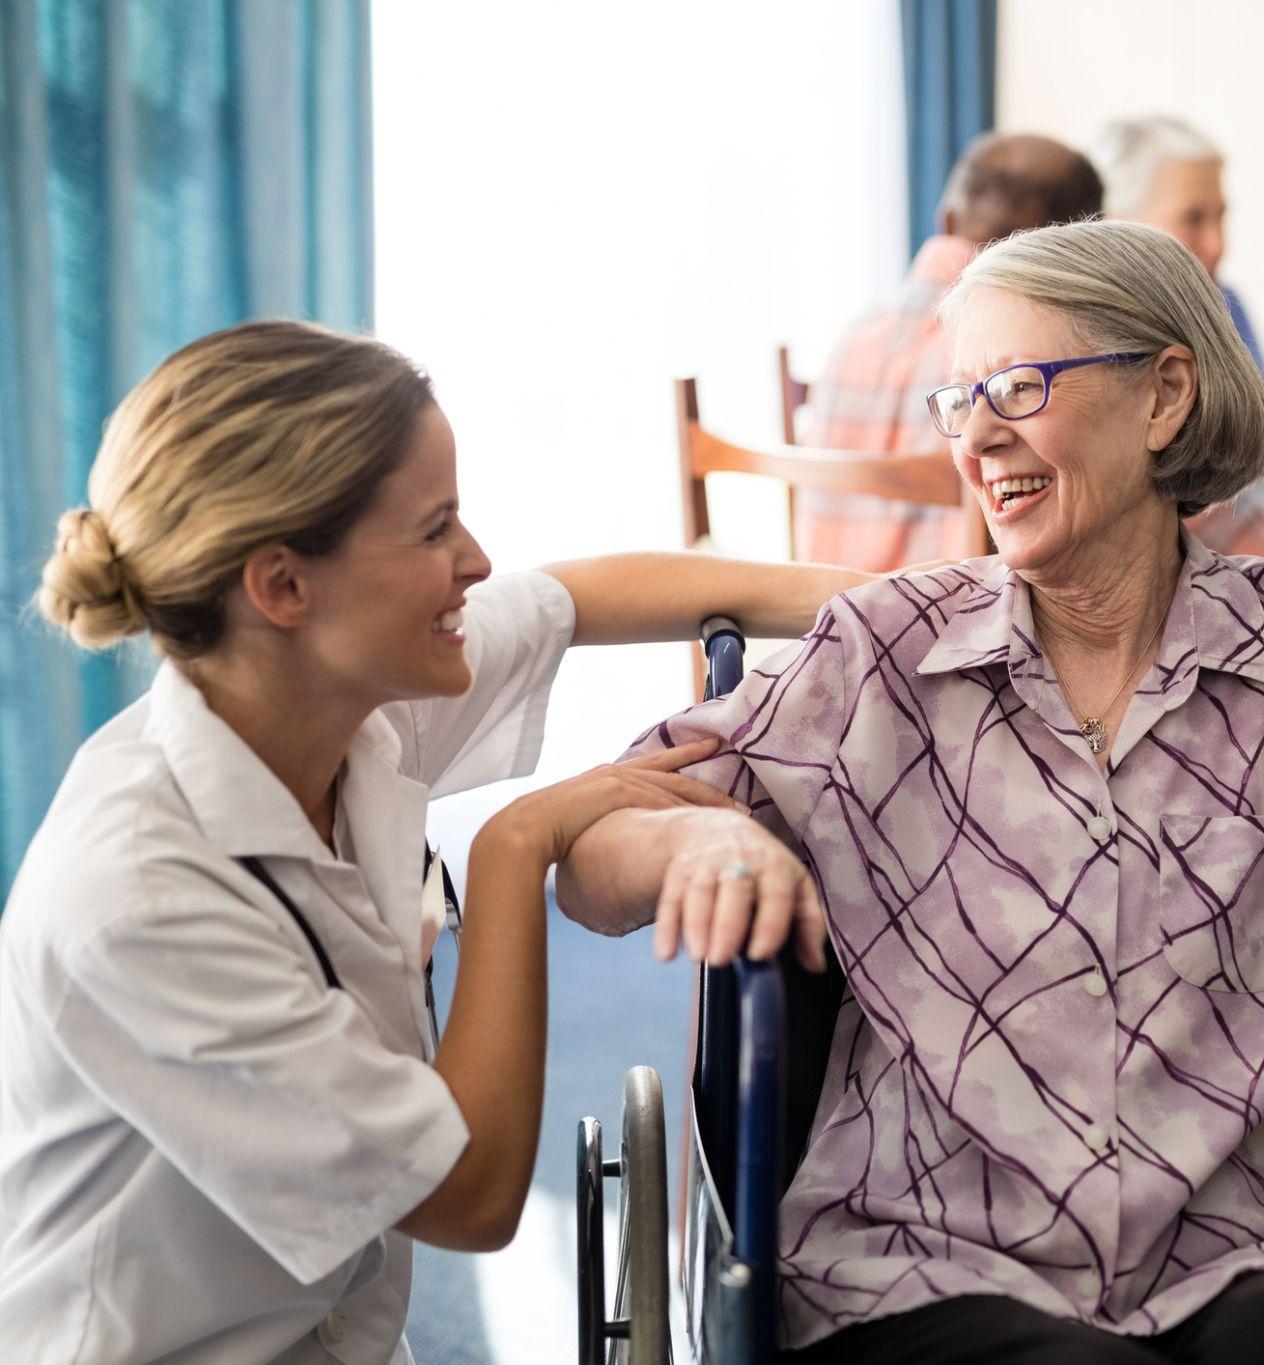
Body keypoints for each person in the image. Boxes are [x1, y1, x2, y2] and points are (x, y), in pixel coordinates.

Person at [558, 219, 1264, 1362]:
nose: (978, 436)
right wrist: (693, 848)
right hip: (924, 1249)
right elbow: (594, 848)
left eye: (1017, 385)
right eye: (959, 401)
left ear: (1163, 399)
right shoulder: (881, 654)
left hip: (1250, 1240)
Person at [0, 320, 868, 1363]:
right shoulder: (139, 895)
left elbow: (574, 597)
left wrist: (899, 601)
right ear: (281, 587)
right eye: (434, 530)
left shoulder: (338, 707)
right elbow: (471, 1196)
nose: (476, 560)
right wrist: (516, 848)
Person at [792, 132, 1103, 572]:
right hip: (951, 620)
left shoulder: (854, 335)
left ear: (948, 219)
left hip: (826, 613)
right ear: (1079, 245)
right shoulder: (1026, 349)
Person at [1094, 115, 1264, 570]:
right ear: (1116, 221)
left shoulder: (1224, 305)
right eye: (1193, 218)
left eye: (1221, 217)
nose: (1218, 244)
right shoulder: (1095, 344)